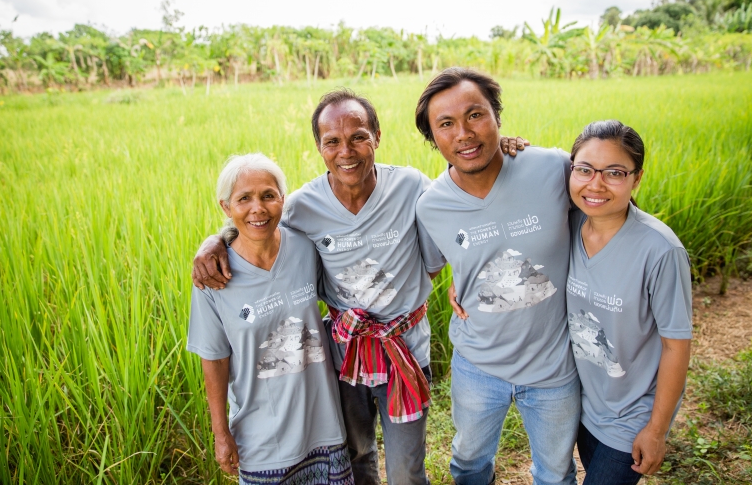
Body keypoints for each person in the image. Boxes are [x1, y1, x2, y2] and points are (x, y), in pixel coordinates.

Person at [192, 89, 527, 485]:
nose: (346, 151)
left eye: (358, 137)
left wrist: (502, 150)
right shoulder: (303, 207)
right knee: (357, 455)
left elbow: (462, 202)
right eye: (332, 141)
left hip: (405, 348)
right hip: (343, 355)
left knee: (405, 468)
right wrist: (216, 240)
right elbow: (257, 222)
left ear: (377, 136)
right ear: (319, 148)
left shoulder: (411, 187)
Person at [414, 67, 580, 485]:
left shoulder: (553, 167)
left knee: (556, 474)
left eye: (476, 115)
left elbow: (603, 226)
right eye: (446, 124)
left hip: (554, 366)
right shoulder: (431, 206)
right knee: (468, 464)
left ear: (497, 118)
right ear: (433, 139)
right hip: (477, 363)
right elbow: (444, 262)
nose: (464, 133)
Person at [186, 153, 353, 485]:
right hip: (262, 442)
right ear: (226, 207)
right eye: (243, 199)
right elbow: (214, 360)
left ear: (282, 200)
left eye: (267, 195)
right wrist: (221, 434)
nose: (257, 208)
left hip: (325, 428)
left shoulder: (306, 247)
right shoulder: (214, 278)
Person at [565, 120, 692, 484]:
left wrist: (656, 430)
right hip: (581, 403)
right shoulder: (568, 224)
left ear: (636, 179)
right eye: (585, 169)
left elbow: (675, 345)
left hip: (630, 414)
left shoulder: (660, 250)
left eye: (615, 172)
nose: (596, 184)